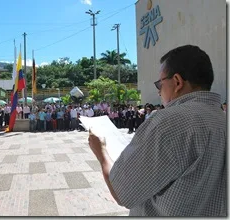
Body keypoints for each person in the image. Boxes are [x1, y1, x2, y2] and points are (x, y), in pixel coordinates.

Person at [88, 45, 226, 216]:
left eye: (160, 84)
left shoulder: (168, 121)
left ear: (177, 82)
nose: (159, 91)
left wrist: (101, 153)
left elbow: (122, 192)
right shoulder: (223, 119)